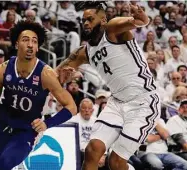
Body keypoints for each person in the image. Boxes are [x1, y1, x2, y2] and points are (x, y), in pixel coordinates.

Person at [0, 21, 77, 170]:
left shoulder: (46, 74)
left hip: (26, 131)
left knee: (5, 163)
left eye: (34, 41)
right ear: (17, 44)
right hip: (1, 125)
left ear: (38, 47)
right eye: (26, 40)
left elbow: (71, 107)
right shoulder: (3, 69)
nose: (30, 44)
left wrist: (46, 123)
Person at [56, 2, 160, 170]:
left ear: (103, 19)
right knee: (92, 150)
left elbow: (140, 21)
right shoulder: (84, 52)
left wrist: (141, 17)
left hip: (143, 102)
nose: (86, 24)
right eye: (84, 21)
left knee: (116, 162)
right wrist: (62, 76)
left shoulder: (112, 29)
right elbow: (55, 74)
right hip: (117, 103)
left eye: (90, 19)